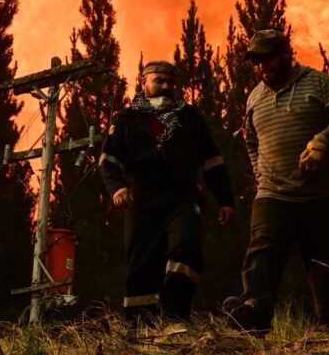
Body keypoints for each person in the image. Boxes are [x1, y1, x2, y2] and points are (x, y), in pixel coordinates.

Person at [225, 29, 329, 333]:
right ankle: (253, 317)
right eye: (256, 61)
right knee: (262, 254)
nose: (262, 66)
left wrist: (322, 142)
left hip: (324, 196)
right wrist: (263, 177)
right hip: (274, 196)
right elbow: (252, 143)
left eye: (268, 58)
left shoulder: (318, 82)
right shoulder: (255, 97)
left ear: (286, 52)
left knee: (328, 265)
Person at [99, 59, 235, 324]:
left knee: (187, 247)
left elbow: (212, 161)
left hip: (182, 197)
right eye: (158, 80)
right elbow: (109, 159)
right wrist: (117, 188)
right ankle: (140, 328)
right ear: (143, 82)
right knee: (141, 262)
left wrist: (225, 199)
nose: (165, 86)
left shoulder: (189, 117)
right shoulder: (127, 119)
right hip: (142, 200)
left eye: (170, 82)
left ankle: (175, 316)